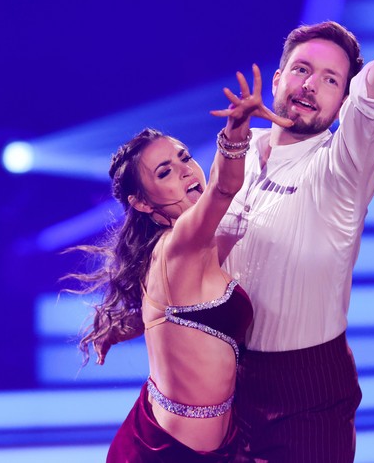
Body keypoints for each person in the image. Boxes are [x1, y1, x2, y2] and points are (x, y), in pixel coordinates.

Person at [215, 0, 374, 462]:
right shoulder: (240, 152)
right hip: (226, 378)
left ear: (345, 99)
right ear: (279, 76)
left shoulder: (343, 165)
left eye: (331, 79)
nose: (311, 85)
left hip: (308, 391)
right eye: (302, 70)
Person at [64, 65, 292, 462]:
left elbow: (181, 316)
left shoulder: (195, 246)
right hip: (166, 454)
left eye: (185, 157)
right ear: (142, 202)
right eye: (165, 172)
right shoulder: (177, 247)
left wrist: (124, 326)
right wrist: (237, 129)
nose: (187, 169)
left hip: (220, 446)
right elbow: (223, 188)